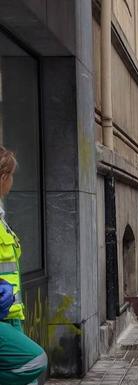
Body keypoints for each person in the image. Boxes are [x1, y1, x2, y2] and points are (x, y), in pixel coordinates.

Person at [0, 147, 47, 385]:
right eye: (11, 175)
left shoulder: (1, 216)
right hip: (2, 316)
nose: (12, 181)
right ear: (2, 177)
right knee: (34, 362)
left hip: (11, 314)